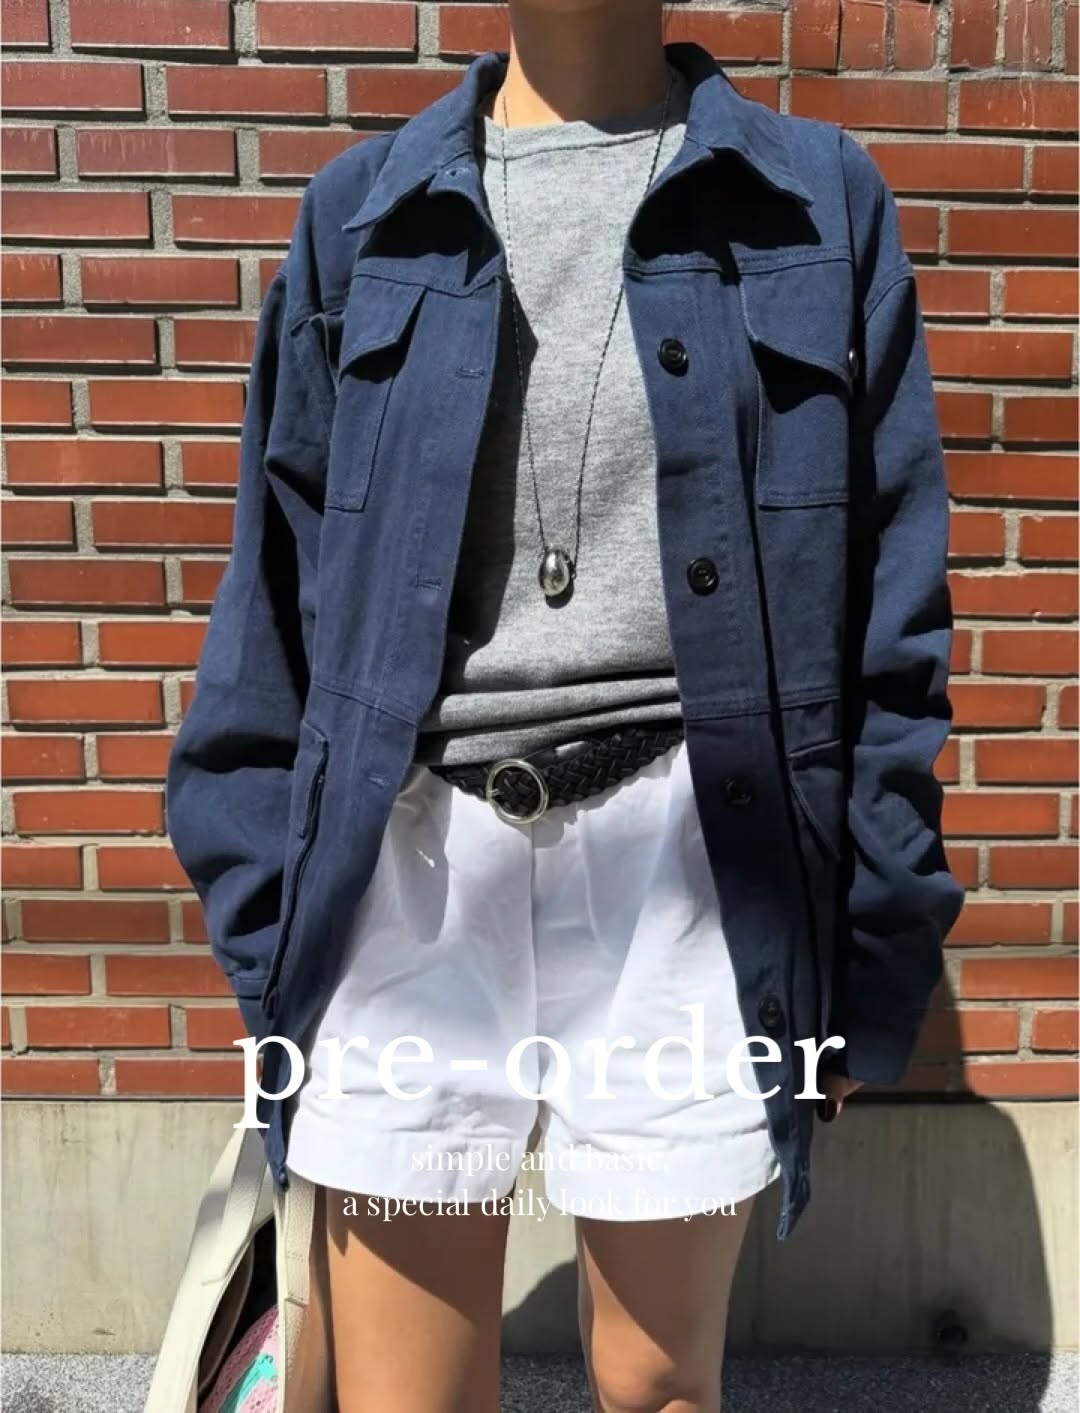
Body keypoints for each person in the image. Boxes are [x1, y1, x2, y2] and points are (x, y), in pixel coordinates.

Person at [164, 1, 965, 1409]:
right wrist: (269, 922)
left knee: (657, 1386)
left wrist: (870, 946)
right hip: (412, 872)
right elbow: (273, 597)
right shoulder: (364, 213)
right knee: (405, 1398)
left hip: (693, 870)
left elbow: (891, 607)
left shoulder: (817, 200)